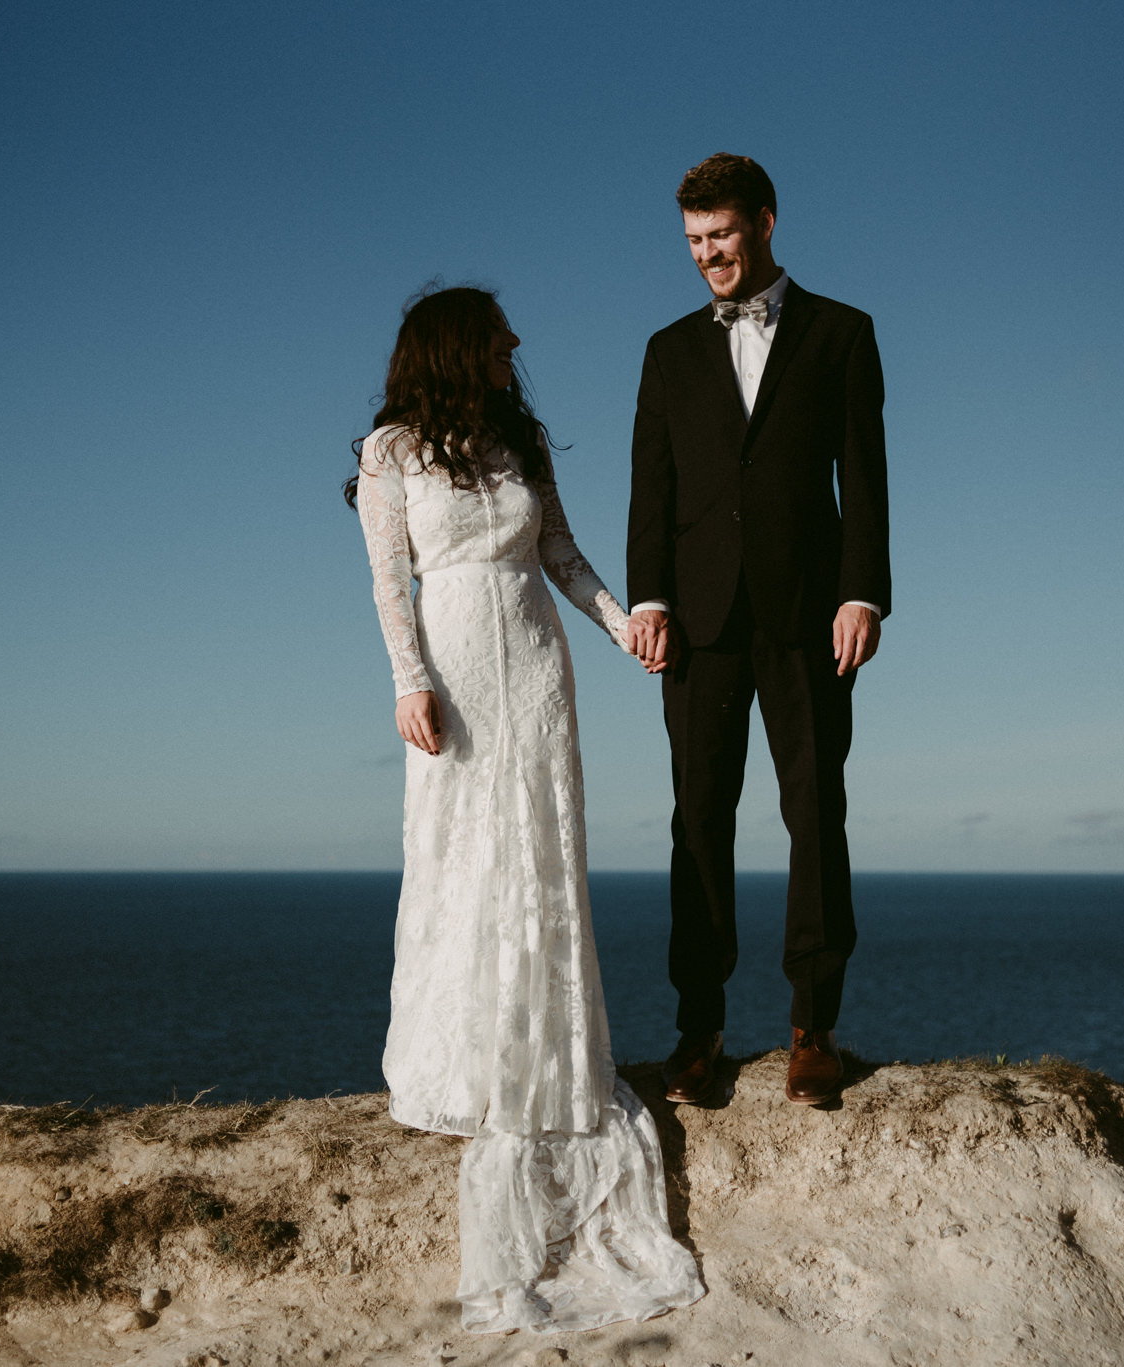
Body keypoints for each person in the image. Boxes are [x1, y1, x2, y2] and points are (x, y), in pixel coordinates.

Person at [349, 285, 703, 1333]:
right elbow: (386, 583)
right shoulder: (391, 452)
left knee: (539, 859)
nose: (514, 350)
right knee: (464, 859)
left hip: (537, 662)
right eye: (497, 340)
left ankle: (543, 1049)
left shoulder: (520, 439)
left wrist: (622, 622)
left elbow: (563, 555)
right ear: (458, 348)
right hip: (453, 666)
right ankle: (462, 1062)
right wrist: (407, 680)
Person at [625, 154, 891, 1109]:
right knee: (698, 821)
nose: (709, 257)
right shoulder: (666, 351)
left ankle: (813, 1025)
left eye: (722, 237)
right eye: (695, 243)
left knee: (815, 811)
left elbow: (864, 477)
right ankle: (699, 1031)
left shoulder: (843, 334)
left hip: (808, 616)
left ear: (766, 223)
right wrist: (646, 599)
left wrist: (862, 591)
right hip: (696, 627)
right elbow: (649, 489)